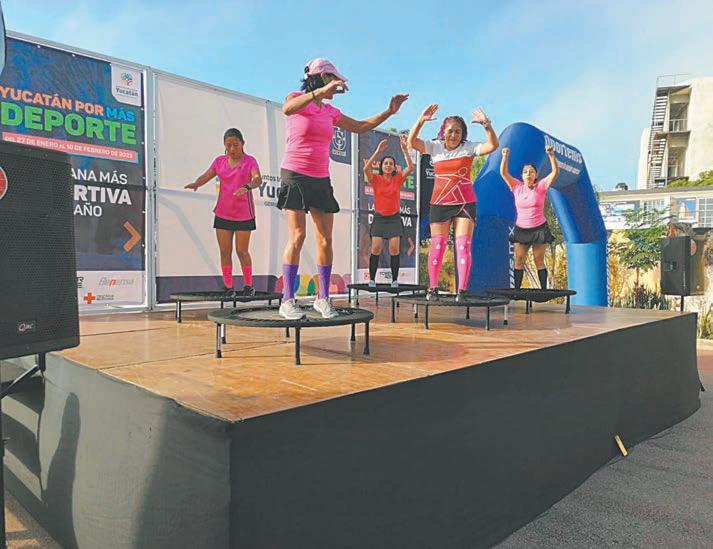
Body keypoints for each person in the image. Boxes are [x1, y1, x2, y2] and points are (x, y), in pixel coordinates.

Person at [278, 57, 408, 319]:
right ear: (319, 78)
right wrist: (320, 92)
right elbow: (287, 109)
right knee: (298, 235)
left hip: (320, 178)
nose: (336, 85)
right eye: (332, 79)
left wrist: (389, 112)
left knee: (325, 239)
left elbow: (360, 127)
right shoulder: (296, 98)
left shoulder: (330, 112)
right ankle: (287, 299)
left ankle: (322, 298)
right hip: (295, 174)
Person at [407, 104, 498, 301]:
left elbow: (492, 146)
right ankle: (432, 289)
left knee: (463, 246)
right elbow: (412, 142)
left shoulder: (469, 147)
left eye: (458, 132)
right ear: (443, 132)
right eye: (450, 131)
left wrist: (486, 124)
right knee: (438, 246)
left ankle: (462, 291)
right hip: (440, 203)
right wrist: (421, 121)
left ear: (463, 134)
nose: (454, 135)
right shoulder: (435, 147)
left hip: (465, 203)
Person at [184, 128, 261, 297]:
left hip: (244, 215)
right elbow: (206, 176)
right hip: (223, 213)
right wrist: (197, 183)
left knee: (242, 251)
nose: (232, 148)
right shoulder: (219, 161)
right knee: (225, 252)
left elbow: (257, 179)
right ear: (224, 145)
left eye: (236, 144)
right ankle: (228, 287)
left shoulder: (250, 161)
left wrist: (247, 186)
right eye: (228, 145)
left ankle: (248, 285)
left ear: (243, 144)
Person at [500, 144, 560, 289]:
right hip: (522, 229)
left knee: (538, 260)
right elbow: (503, 173)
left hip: (539, 228)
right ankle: (517, 290)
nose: (528, 174)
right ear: (522, 176)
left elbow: (555, 172)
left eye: (531, 172)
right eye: (525, 172)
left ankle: (543, 290)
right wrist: (505, 156)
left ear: (535, 175)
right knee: (519, 259)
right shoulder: (516, 186)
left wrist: (551, 155)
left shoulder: (541, 186)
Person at [362, 135, 414, 288]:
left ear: (394, 167)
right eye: (386, 163)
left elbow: (410, 168)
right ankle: (372, 279)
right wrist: (377, 152)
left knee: (394, 249)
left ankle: (394, 280)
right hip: (379, 219)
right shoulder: (376, 179)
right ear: (382, 166)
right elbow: (366, 169)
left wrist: (405, 150)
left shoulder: (397, 179)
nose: (388, 165)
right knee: (376, 248)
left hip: (394, 219)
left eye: (391, 163)